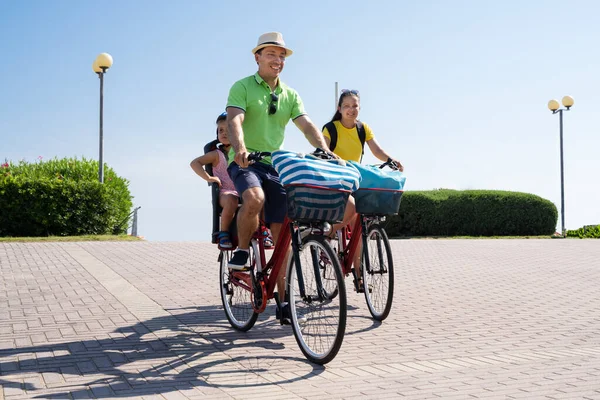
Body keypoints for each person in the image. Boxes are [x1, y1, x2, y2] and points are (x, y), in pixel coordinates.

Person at [225, 32, 336, 322]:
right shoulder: (242, 87)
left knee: (282, 234)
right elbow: (234, 119)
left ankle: (284, 301)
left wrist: (324, 149)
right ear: (257, 57)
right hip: (246, 161)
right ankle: (241, 252)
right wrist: (240, 148)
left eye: (282, 55)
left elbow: (307, 124)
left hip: (275, 164)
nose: (278, 60)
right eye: (271, 54)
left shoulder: (290, 94)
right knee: (254, 197)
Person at [323, 89, 404, 292]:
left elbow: (376, 150)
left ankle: (358, 273)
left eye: (355, 106)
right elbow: (323, 150)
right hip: (337, 179)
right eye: (347, 106)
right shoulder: (331, 128)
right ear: (339, 109)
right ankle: (328, 233)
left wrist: (390, 160)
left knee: (359, 225)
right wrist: (336, 161)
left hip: (356, 178)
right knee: (352, 209)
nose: (351, 110)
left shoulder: (362, 128)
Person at [190, 112, 239, 249]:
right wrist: (209, 177)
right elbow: (195, 163)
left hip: (243, 190)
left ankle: (263, 231)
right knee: (232, 200)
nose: (224, 133)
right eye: (220, 130)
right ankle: (223, 233)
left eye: (228, 130)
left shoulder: (242, 152)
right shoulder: (216, 154)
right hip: (225, 192)